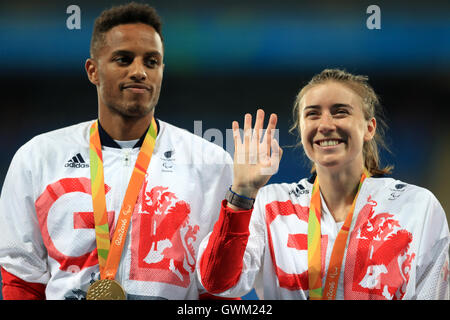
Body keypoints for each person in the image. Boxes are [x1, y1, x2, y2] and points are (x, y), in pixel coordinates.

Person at [0, 2, 233, 300]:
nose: (139, 72)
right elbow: (23, 281)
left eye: (151, 62)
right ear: (93, 71)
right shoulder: (38, 157)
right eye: (124, 59)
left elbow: (219, 292)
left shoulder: (210, 162)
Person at [197, 69, 450, 300]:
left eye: (340, 112)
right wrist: (242, 194)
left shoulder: (416, 207)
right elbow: (216, 283)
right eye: (313, 114)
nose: (326, 125)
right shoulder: (270, 205)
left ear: (369, 128)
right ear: (301, 129)